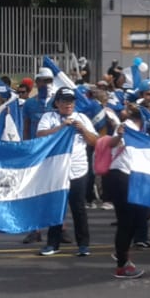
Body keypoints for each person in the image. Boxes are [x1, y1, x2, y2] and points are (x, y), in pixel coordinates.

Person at [37, 86, 98, 257]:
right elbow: (41, 135)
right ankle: (53, 244)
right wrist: (62, 127)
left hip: (78, 170)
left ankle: (83, 244)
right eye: (64, 101)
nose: (68, 105)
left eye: (71, 101)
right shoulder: (49, 117)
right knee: (56, 206)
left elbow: (95, 142)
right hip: (56, 169)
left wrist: (83, 130)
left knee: (78, 208)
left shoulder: (82, 118)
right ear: (57, 103)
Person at [94, 117, 146, 280]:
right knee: (126, 221)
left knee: (139, 217)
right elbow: (112, 142)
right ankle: (122, 265)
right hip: (120, 176)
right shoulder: (127, 125)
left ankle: (121, 253)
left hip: (134, 176)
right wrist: (121, 135)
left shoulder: (147, 127)